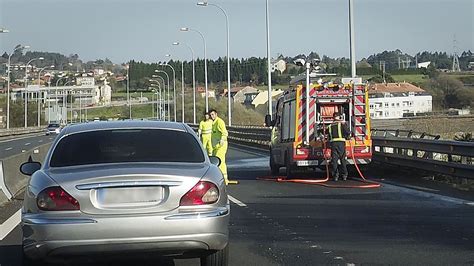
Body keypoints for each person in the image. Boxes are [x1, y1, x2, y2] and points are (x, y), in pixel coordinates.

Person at [209, 109, 236, 185]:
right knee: (215, 162)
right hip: (215, 146)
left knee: (219, 162)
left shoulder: (219, 122)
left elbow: (225, 132)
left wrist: (222, 140)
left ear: (216, 114)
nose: (212, 116)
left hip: (221, 145)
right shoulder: (213, 123)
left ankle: (224, 179)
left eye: (213, 114)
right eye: (211, 115)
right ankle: (218, 178)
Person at [328, 112, 351, 181]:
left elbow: (328, 135)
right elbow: (347, 132)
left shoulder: (330, 126)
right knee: (342, 159)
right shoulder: (342, 124)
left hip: (333, 144)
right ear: (339, 116)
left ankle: (335, 176)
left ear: (333, 117)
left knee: (334, 160)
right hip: (341, 143)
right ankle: (344, 175)